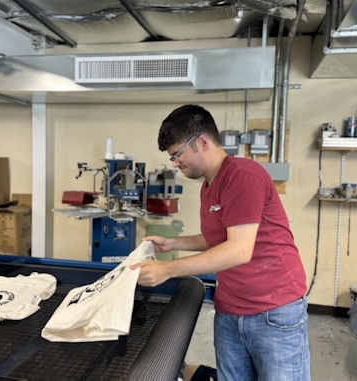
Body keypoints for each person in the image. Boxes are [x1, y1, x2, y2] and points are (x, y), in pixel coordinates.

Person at [131, 104, 310, 380]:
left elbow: (238, 249)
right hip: (230, 310)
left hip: (273, 311)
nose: (175, 163)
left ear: (202, 142)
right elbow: (218, 238)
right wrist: (172, 242)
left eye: (177, 154)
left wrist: (167, 269)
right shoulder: (208, 185)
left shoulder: (242, 176)